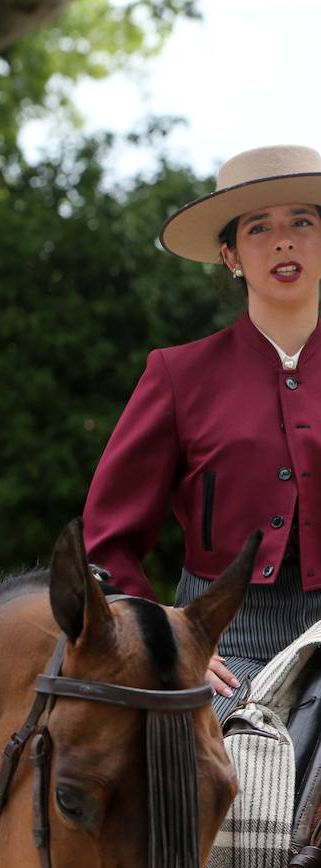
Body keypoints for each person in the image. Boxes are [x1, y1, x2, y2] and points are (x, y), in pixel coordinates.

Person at [84, 144, 321, 718]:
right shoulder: (178, 375)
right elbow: (108, 542)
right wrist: (162, 633)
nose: (283, 240)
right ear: (230, 255)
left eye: (302, 222)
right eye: (259, 227)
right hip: (221, 647)